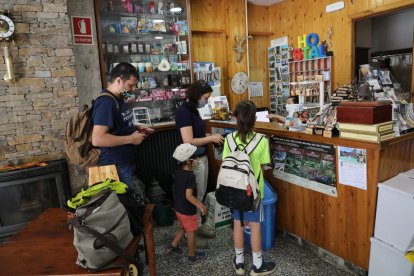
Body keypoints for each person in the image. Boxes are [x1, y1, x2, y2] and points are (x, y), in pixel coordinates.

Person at [222, 100, 276, 276]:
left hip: (233, 189)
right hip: (252, 192)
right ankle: (257, 265)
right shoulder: (261, 141)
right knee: (255, 226)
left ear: (236, 118)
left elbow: (226, 162)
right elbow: (263, 165)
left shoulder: (228, 139)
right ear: (254, 118)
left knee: (237, 224)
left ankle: (239, 263)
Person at [92, 62, 152, 194]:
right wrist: (131, 139)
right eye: (130, 85)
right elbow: (97, 139)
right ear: (119, 80)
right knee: (126, 206)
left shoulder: (118, 98)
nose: (132, 89)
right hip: (115, 165)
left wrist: (136, 127)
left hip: (124, 161)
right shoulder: (106, 102)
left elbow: (119, 125)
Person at [175, 80, 224, 236]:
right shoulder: (184, 112)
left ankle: (195, 229)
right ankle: (191, 233)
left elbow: (198, 135)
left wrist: (211, 136)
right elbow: (188, 140)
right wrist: (210, 139)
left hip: (201, 156)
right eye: (206, 98)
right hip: (192, 160)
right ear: (197, 96)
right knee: (193, 197)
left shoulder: (194, 110)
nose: (207, 101)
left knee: (200, 194)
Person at [165, 143, 208, 263]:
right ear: (189, 161)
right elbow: (188, 196)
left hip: (178, 208)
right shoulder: (190, 176)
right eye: (196, 157)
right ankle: (192, 256)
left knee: (182, 228)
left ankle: (173, 246)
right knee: (191, 233)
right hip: (187, 211)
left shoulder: (178, 171)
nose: (198, 160)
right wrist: (201, 205)